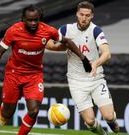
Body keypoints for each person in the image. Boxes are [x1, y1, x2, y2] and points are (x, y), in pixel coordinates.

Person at [0, 4, 91, 135]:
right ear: (23, 19)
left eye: (36, 20)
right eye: (30, 20)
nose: (33, 23)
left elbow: (67, 42)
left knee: (34, 111)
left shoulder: (48, 30)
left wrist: (83, 59)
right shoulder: (13, 31)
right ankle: (4, 107)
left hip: (34, 75)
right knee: (7, 114)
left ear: (39, 19)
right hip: (14, 74)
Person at [46, 1, 119, 135]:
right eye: (81, 14)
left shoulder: (96, 30)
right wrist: (42, 41)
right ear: (76, 14)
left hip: (95, 78)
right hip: (76, 82)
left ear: (92, 16)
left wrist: (95, 64)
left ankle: (112, 120)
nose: (84, 18)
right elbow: (51, 45)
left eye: (87, 15)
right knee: (90, 121)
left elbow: (107, 53)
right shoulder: (66, 29)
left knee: (108, 116)